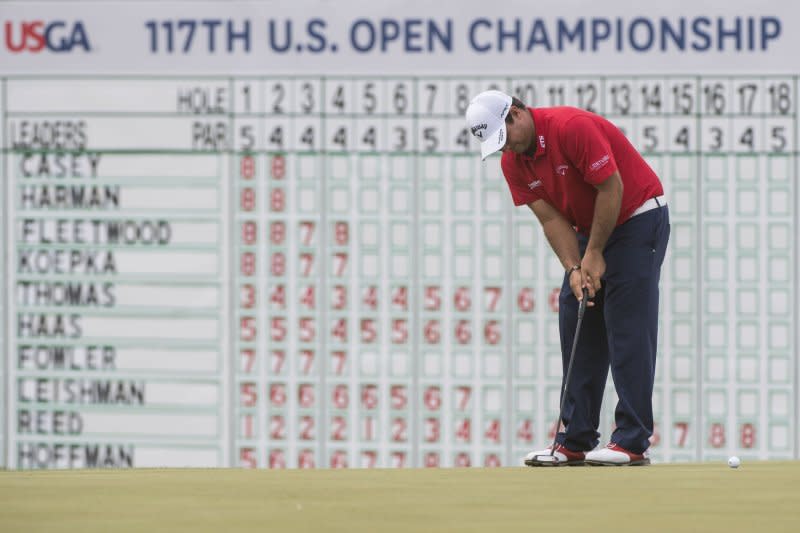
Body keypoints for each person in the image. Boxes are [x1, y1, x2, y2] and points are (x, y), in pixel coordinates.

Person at [465, 90, 669, 466]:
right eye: (498, 145)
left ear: (517, 113)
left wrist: (593, 253)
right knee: (576, 317)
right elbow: (550, 219)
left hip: (637, 217)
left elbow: (612, 188)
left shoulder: (569, 128)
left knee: (626, 326)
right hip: (591, 228)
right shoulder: (513, 163)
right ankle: (574, 438)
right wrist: (575, 269)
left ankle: (632, 441)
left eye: (506, 136)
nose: (506, 148)